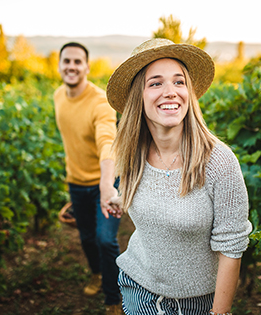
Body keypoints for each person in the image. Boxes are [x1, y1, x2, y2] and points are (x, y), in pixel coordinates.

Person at [105, 38, 252, 315]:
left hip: (198, 303)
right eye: (156, 83)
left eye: (179, 82)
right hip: (139, 289)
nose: (170, 92)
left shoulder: (219, 162)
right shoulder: (133, 151)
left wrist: (219, 313)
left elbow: (232, 247)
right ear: (140, 96)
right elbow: (150, 193)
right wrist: (121, 199)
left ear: (189, 93)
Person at [54, 42, 122, 315]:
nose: (71, 66)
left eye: (77, 62)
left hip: (104, 182)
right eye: (66, 61)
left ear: (87, 67)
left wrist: (107, 184)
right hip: (76, 182)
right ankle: (96, 273)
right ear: (59, 65)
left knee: (106, 240)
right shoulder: (58, 96)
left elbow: (108, 142)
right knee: (86, 238)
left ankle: (113, 298)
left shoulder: (100, 102)